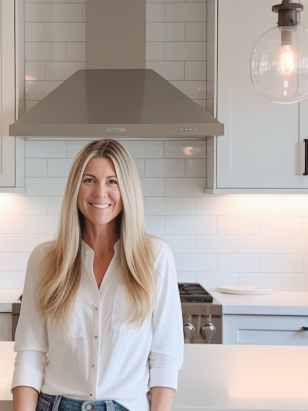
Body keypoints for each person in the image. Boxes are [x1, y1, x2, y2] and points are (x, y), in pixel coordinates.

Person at [11, 139, 183, 411]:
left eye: (112, 181)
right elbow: (30, 354)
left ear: (127, 190)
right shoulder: (43, 259)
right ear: (75, 188)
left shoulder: (156, 257)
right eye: (89, 180)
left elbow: (164, 357)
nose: (100, 192)